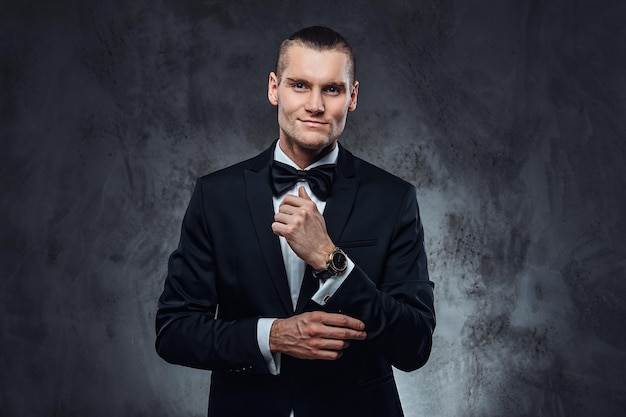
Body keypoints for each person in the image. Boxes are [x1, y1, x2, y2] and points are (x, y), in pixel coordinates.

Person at [155, 26, 435, 417]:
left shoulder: (393, 198)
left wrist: (330, 260)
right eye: (300, 85)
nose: (315, 105)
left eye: (332, 89)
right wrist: (274, 335)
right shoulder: (215, 195)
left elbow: (415, 344)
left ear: (352, 97)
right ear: (274, 89)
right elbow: (174, 332)